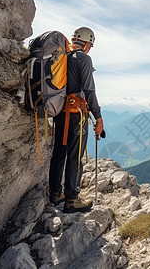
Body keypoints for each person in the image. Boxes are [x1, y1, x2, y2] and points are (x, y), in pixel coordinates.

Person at [48, 26, 104, 213]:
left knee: (59, 151)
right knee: (75, 156)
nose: (90, 49)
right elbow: (89, 90)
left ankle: (55, 193)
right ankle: (72, 199)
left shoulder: (62, 56)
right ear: (88, 44)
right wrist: (98, 117)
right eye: (91, 45)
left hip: (59, 112)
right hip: (76, 114)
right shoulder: (84, 58)